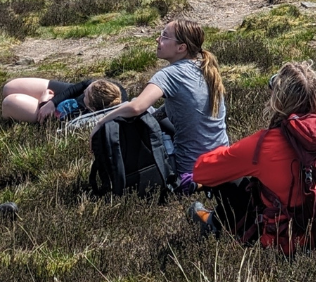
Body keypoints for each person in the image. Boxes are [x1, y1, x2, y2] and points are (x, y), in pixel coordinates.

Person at [190, 61, 316, 253]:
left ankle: (214, 222)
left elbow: (201, 172)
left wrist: (227, 154)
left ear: (278, 99)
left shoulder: (263, 145)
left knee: (232, 181)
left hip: (293, 240)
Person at [90, 19, 228, 178]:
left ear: (181, 48)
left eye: (164, 36)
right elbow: (185, 108)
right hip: (222, 162)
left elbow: (137, 107)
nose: (158, 39)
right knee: (149, 112)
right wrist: (154, 118)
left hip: (190, 169)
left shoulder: (170, 74)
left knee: (133, 105)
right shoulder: (205, 67)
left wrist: (100, 123)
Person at [2, 76, 124, 123]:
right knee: (9, 87)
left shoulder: (85, 118)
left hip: (60, 115)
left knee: (9, 102)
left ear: (91, 108)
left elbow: (54, 125)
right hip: (66, 96)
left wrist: (43, 103)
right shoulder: (115, 90)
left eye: (86, 95)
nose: (84, 91)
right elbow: (83, 84)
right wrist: (52, 102)